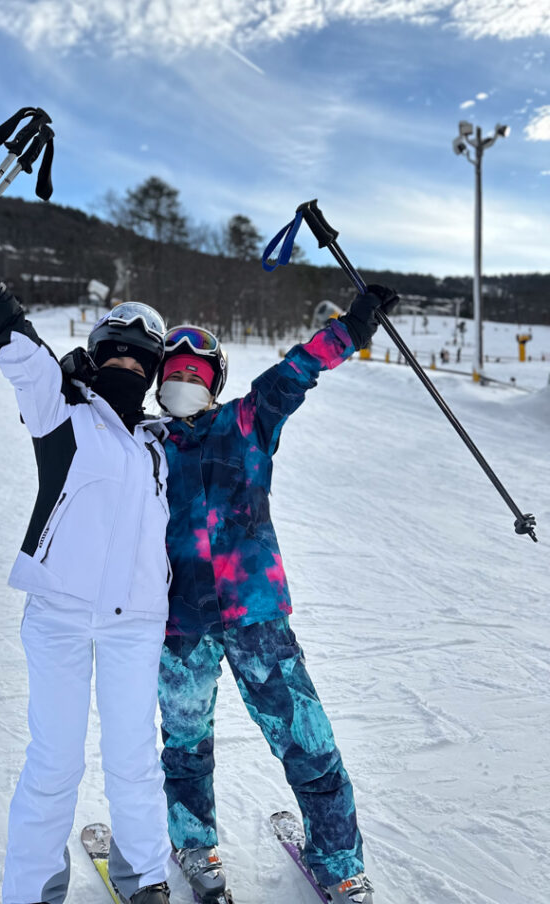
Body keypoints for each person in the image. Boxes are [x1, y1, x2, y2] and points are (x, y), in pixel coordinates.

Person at [0, 208, 174, 904]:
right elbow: (19, 346)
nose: (126, 362)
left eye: (140, 356)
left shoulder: (163, 445)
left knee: (134, 764)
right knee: (54, 764)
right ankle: (31, 891)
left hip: (136, 624)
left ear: (153, 369)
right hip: (60, 617)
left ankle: (146, 879)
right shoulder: (62, 411)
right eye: (115, 350)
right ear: (95, 355)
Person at [154, 287, 398, 904]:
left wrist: (352, 328)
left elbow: (298, 369)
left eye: (196, 372)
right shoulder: (144, 444)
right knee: (185, 746)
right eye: (175, 372)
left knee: (308, 743)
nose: (185, 379)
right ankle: (194, 841)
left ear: (216, 382)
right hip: (180, 626)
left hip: (257, 618)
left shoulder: (246, 422)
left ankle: (339, 860)